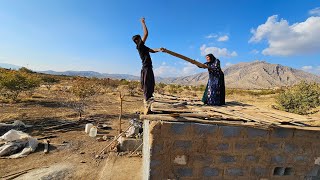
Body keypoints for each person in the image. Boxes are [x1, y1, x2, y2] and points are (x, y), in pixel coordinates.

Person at [132, 18, 163, 102]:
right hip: (146, 67)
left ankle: (149, 97)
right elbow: (146, 34)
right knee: (146, 84)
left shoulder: (143, 47)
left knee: (151, 83)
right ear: (137, 40)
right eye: (140, 38)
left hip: (148, 67)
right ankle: (147, 99)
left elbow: (152, 50)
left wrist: (159, 49)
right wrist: (143, 23)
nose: (142, 39)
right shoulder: (139, 46)